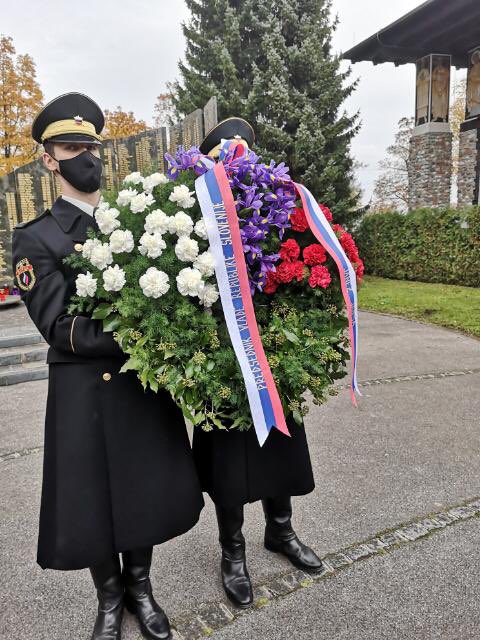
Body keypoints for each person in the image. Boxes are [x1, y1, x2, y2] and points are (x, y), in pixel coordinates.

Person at [12, 92, 205, 640]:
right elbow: (58, 326)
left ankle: (141, 588)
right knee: (94, 494)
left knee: (141, 485)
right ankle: (110, 597)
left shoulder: (139, 220)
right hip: (84, 389)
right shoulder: (35, 237)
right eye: (71, 147)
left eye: (91, 145)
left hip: (138, 384)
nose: (86, 156)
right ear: (49, 160)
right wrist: (142, 330)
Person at [193, 118, 324, 609]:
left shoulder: (271, 203)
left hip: (269, 351)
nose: (238, 164)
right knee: (229, 456)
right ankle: (233, 554)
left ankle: (281, 531)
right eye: (228, 157)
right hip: (222, 354)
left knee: (279, 445)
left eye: (242, 156)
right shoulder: (198, 210)